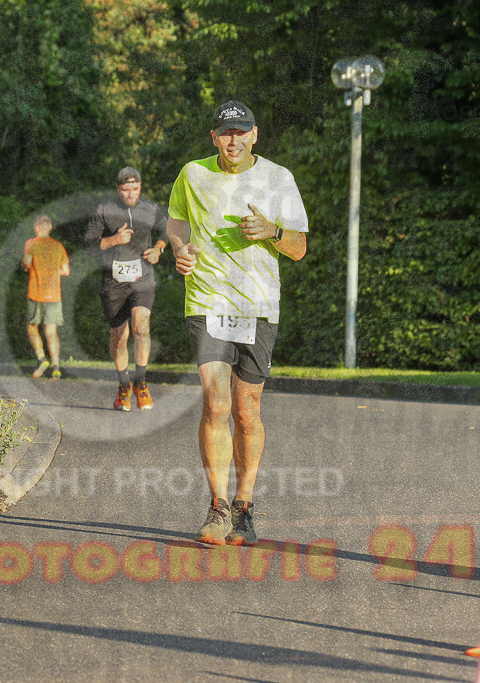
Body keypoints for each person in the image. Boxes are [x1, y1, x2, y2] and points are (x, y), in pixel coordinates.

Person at [166, 100, 308, 546]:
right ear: (214, 137)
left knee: (247, 413)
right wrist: (178, 249)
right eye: (225, 133)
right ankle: (217, 507)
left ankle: (244, 506)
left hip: (259, 306)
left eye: (241, 132)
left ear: (254, 135)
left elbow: (300, 247)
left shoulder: (278, 178)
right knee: (217, 404)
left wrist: (271, 231)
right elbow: (176, 224)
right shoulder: (192, 174)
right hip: (207, 303)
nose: (233, 140)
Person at [85, 166, 168, 411]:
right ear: (118, 189)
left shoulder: (150, 209)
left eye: (135, 189)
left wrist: (159, 248)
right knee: (119, 336)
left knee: (141, 325)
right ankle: (124, 386)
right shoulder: (105, 210)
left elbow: (167, 229)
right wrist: (114, 240)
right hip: (113, 281)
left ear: (140, 187)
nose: (130, 194)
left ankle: (140, 383)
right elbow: (89, 243)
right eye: (125, 190)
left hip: (142, 277)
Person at [22, 214, 70, 379]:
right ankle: (56, 365)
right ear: (50, 227)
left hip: (36, 293)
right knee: (51, 330)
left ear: (36, 228)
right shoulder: (58, 246)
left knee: (32, 327)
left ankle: (42, 359)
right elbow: (66, 271)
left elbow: (27, 264)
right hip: (54, 294)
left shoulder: (31, 244)